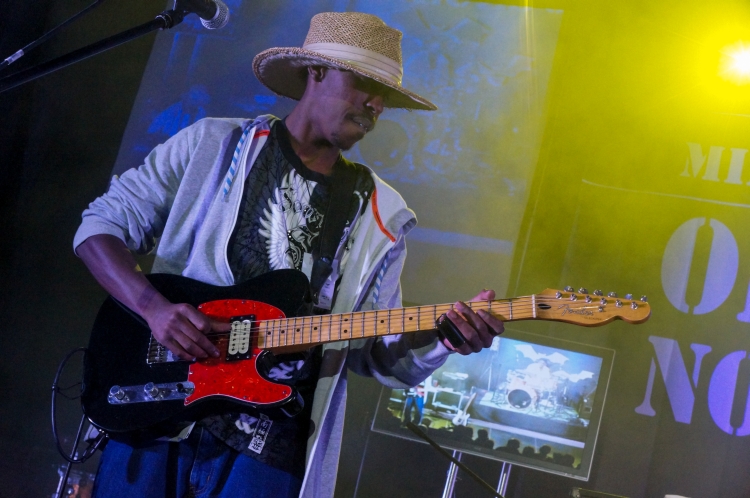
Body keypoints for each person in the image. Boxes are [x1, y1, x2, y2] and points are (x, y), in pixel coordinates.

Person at [74, 12, 504, 498]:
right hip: (159, 414)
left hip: (269, 451)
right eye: (365, 84)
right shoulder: (213, 144)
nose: (377, 104)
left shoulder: (382, 214)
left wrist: (445, 338)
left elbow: (377, 355)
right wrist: (154, 309)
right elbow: (98, 229)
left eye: (386, 96)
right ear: (315, 71)